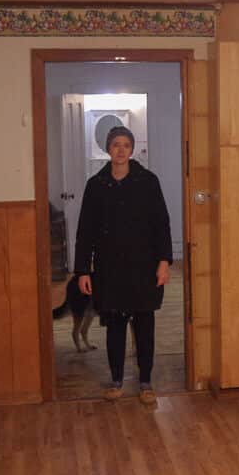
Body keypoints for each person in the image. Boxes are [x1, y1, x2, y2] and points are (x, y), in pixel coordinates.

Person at [73, 125, 172, 404]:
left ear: (132, 149)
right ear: (108, 149)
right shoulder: (96, 185)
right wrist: (83, 270)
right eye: (115, 144)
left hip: (144, 265)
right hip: (109, 268)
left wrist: (164, 262)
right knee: (114, 325)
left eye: (125, 145)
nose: (120, 150)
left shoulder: (148, 181)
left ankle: (145, 381)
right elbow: (85, 231)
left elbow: (161, 225)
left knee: (144, 324)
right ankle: (116, 379)